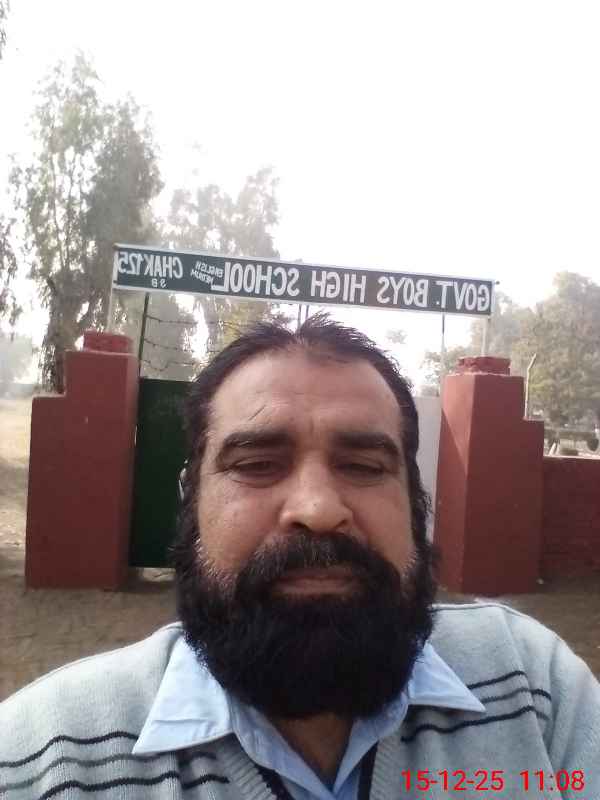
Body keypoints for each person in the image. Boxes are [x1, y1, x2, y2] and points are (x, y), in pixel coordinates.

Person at [1, 314, 598, 800]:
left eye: (363, 466)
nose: (317, 509)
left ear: (416, 508)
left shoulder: (534, 689)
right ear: (191, 503)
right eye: (257, 464)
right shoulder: (45, 759)